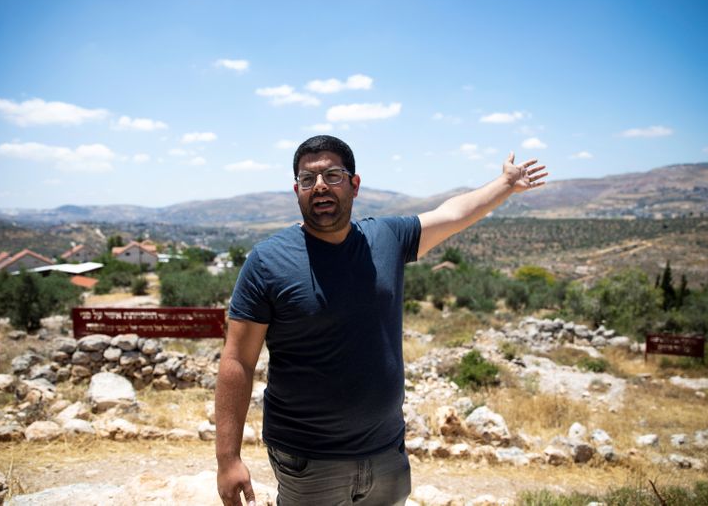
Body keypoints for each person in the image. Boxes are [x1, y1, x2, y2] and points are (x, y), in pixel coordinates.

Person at [216, 135, 547, 505]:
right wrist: (228, 459)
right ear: (297, 190)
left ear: (354, 185)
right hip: (309, 462)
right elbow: (238, 361)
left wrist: (504, 184)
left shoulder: (387, 237)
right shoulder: (267, 262)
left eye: (333, 175)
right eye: (308, 180)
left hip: (387, 454)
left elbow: (452, 215)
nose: (320, 186)